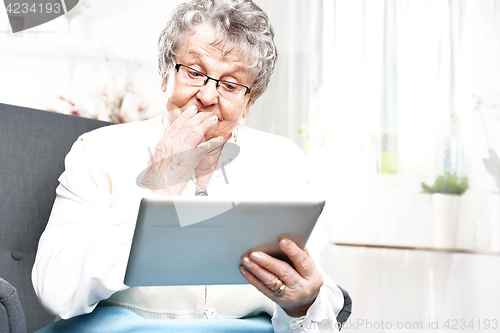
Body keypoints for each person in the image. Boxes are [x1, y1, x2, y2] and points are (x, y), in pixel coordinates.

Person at [32, 0, 347, 332]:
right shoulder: (97, 151)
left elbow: (317, 316)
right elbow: (55, 290)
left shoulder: (285, 162)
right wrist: (161, 187)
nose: (208, 96)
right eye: (195, 72)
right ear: (167, 72)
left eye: (230, 85)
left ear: (248, 103)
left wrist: (301, 306)